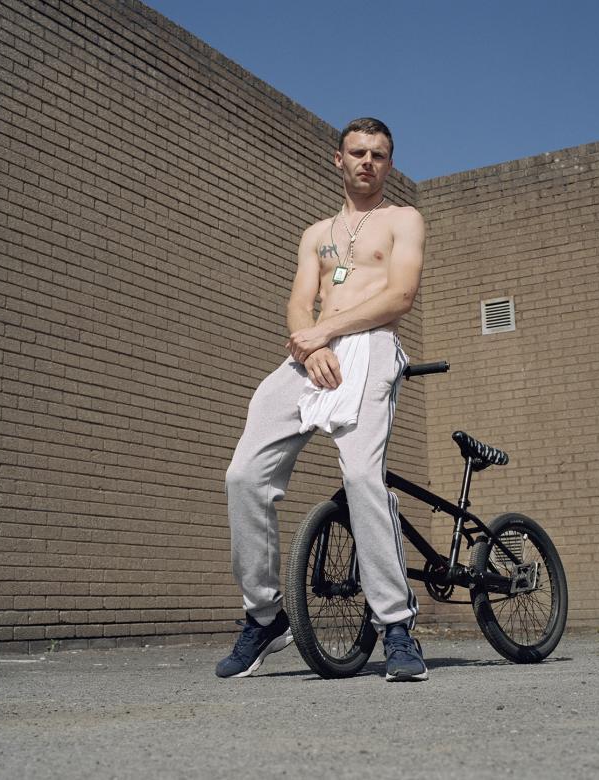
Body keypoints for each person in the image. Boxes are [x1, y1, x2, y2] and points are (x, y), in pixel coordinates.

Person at [216, 118, 427, 682]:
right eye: (357, 152)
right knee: (243, 477)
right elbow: (298, 303)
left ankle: (397, 627)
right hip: (310, 355)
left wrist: (325, 330)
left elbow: (399, 295)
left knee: (362, 478)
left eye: (379, 155)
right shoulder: (316, 233)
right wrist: (309, 346)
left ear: (389, 163)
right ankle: (264, 617)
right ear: (338, 159)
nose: (367, 162)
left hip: (372, 345)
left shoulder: (403, 219)